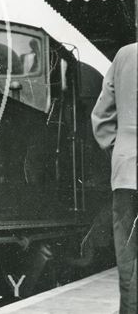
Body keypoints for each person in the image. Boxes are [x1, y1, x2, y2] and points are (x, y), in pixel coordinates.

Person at [91, 42, 137, 314]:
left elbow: (101, 115)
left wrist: (119, 150)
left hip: (127, 173)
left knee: (129, 258)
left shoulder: (124, 55)